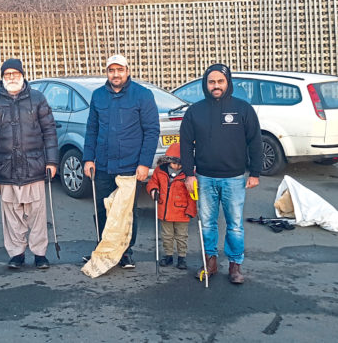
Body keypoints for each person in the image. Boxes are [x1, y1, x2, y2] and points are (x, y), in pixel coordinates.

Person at [179, 63, 263, 284]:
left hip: (234, 179)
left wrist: (255, 172)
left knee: (234, 224)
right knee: (207, 223)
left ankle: (235, 265)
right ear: (206, 84)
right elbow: (186, 145)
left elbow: (255, 141)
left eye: (220, 81)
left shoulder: (243, 109)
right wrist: (189, 174)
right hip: (204, 178)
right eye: (211, 82)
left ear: (228, 83)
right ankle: (210, 262)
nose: (216, 86)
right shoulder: (195, 111)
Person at [82, 54, 160, 269]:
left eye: (120, 70)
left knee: (126, 211)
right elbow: (92, 129)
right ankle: (103, 248)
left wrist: (144, 164)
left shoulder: (142, 95)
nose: (116, 74)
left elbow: (152, 131)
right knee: (101, 208)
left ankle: (125, 252)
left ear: (127, 70)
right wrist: (88, 158)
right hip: (104, 165)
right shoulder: (98, 96)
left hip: (130, 166)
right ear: (107, 72)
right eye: (111, 70)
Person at [0, 58, 59, 270]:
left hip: (34, 166)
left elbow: (49, 131)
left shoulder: (37, 98)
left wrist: (52, 161)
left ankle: (40, 254)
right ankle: (16, 254)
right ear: (2, 78)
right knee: (11, 215)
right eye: (7, 75)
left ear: (23, 75)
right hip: (5, 168)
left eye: (15, 74)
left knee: (37, 214)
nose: (12, 78)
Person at [146, 143, 196, 270]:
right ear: (168, 162)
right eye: (174, 163)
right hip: (165, 210)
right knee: (167, 235)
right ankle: (168, 255)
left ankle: (182, 257)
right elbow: (153, 183)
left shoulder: (189, 175)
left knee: (181, 236)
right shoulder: (160, 171)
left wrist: (191, 209)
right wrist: (153, 190)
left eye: (180, 164)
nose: (177, 166)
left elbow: (192, 195)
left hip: (182, 211)